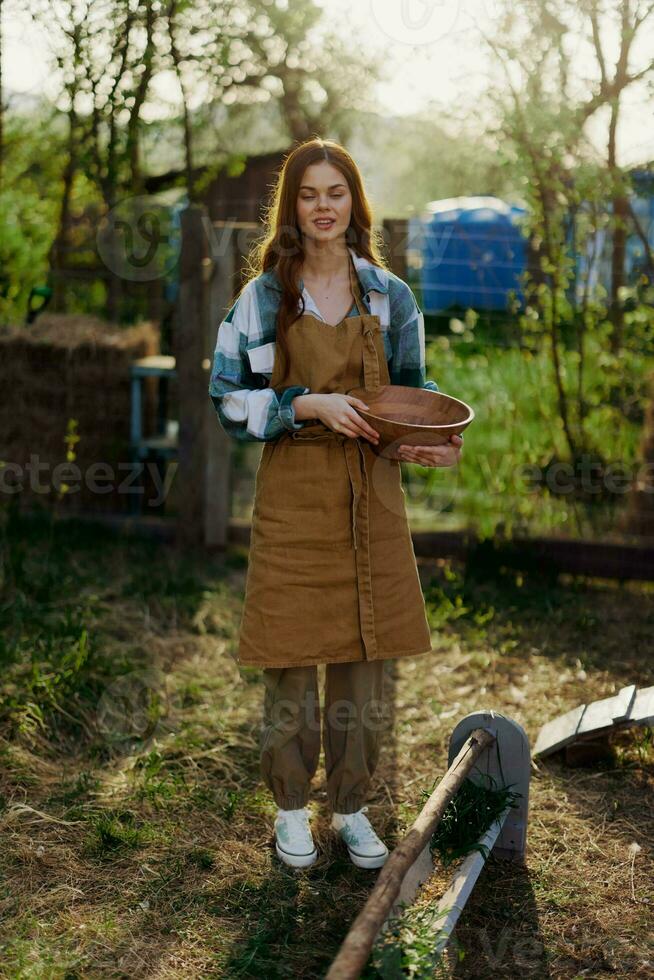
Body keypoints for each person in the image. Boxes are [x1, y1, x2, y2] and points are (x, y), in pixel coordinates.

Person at [209, 138, 463, 870]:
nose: (324, 207)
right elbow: (228, 400)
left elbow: (414, 399)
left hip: (371, 496)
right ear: (291, 206)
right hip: (295, 493)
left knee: (366, 653)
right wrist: (308, 403)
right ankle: (291, 809)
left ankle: (350, 806)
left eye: (337, 193)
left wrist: (431, 443)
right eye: (310, 194)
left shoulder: (389, 296)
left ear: (355, 203)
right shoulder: (263, 300)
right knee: (291, 649)